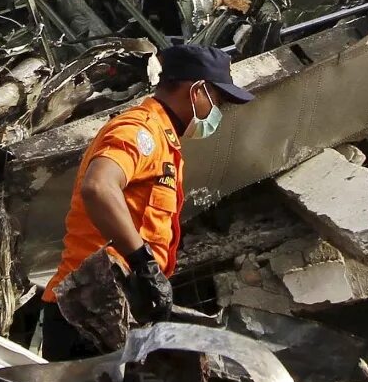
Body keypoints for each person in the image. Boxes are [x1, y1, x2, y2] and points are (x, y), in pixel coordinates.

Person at [40, 43, 253, 360]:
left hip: (114, 307)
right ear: (197, 91)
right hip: (86, 310)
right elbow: (98, 187)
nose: (217, 112)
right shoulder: (140, 131)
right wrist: (143, 263)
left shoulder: (165, 140)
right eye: (218, 100)